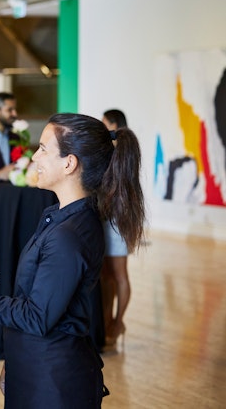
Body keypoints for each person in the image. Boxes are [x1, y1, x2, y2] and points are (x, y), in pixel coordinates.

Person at [0, 113, 145, 408]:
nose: (34, 157)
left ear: (69, 163)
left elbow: (36, 316)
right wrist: (16, 359)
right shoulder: (65, 218)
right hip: (39, 368)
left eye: (44, 149)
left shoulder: (68, 236)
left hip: (54, 382)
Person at [100, 108, 133, 350]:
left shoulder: (122, 148)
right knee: (107, 276)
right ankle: (107, 320)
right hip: (106, 217)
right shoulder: (116, 147)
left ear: (112, 124)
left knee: (119, 275)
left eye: (104, 123)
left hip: (117, 218)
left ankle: (118, 322)